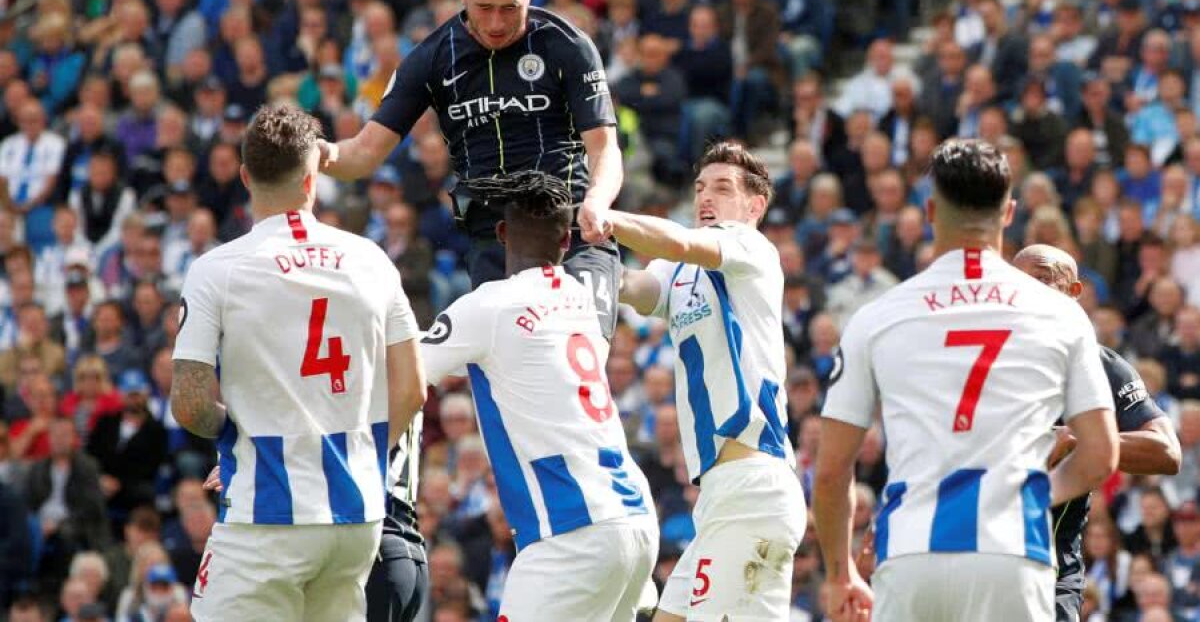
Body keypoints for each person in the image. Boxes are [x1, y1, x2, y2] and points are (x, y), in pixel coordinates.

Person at [814, 138, 1119, 622]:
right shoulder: (1060, 313)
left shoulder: (879, 316)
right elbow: (1101, 455)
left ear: (931, 210)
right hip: (1013, 552)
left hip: (912, 553)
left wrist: (838, 575)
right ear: (1009, 212)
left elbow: (830, 472)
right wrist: (1036, 492)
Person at [321, 0, 623, 342]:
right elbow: (363, 152)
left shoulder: (568, 46)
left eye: (510, 7)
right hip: (494, 240)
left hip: (573, 230)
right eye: (485, 7)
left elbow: (604, 148)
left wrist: (597, 201)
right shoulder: (431, 58)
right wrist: (312, 152)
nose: (497, 23)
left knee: (577, 358)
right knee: (512, 383)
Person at [170, 105, 426, 621]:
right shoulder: (373, 260)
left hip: (267, 516)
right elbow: (413, 389)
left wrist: (234, 434)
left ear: (244, 176)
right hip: (356, 516)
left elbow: (191, 404)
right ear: (312, 180)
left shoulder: (216, 270)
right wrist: (360, 454)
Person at [420, 170, 658, 621]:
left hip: (570, 530)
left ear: (502, 233)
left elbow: (407, 370)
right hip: (635, 518)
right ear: (566, 243)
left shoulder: (488, 305)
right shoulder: (579, 298)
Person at [604, 141, 806, 620]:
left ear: (754, 206)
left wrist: (600, 215)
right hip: (725, 495)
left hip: (753, 486)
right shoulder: (678, 270)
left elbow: (674, 240)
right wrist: (569, 254)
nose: (705, 198)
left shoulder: (750, 246)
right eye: (699, 188)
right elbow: (634, 287)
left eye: (722, 188)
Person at [1012, 243, 1181, 622]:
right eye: (1017, 282)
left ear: (1074, 292)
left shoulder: (1101, 366)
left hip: (1050, 571)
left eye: (1041, 279)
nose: (1027, 291)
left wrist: (1078, 441)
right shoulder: (980, 360)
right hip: (975, 557)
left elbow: (1166, 452)